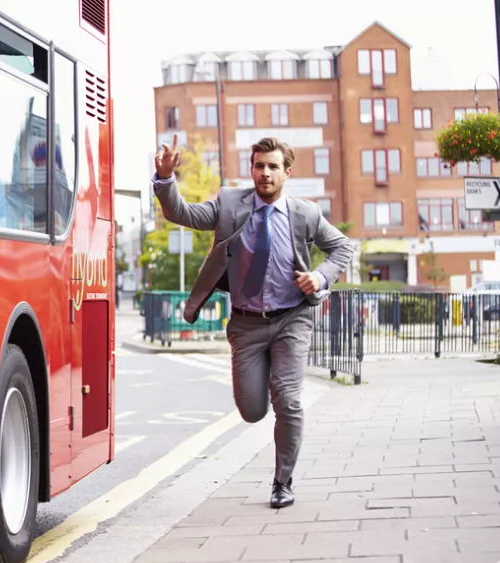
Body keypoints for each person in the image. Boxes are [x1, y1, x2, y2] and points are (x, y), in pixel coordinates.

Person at [152, 136, 354, 508]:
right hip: (246, 325)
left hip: (293, 318)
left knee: (289, 401)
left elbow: (342, 247)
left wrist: (321, 277)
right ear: (252, 169)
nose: (265, 173)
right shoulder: (230, 203)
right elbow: (184, 214)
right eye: (259, 165)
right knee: (252, 410)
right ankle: (265, 425)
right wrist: (165, 181)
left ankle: (283, 481)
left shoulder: (304, 214)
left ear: (286, 172)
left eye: (273, 167)